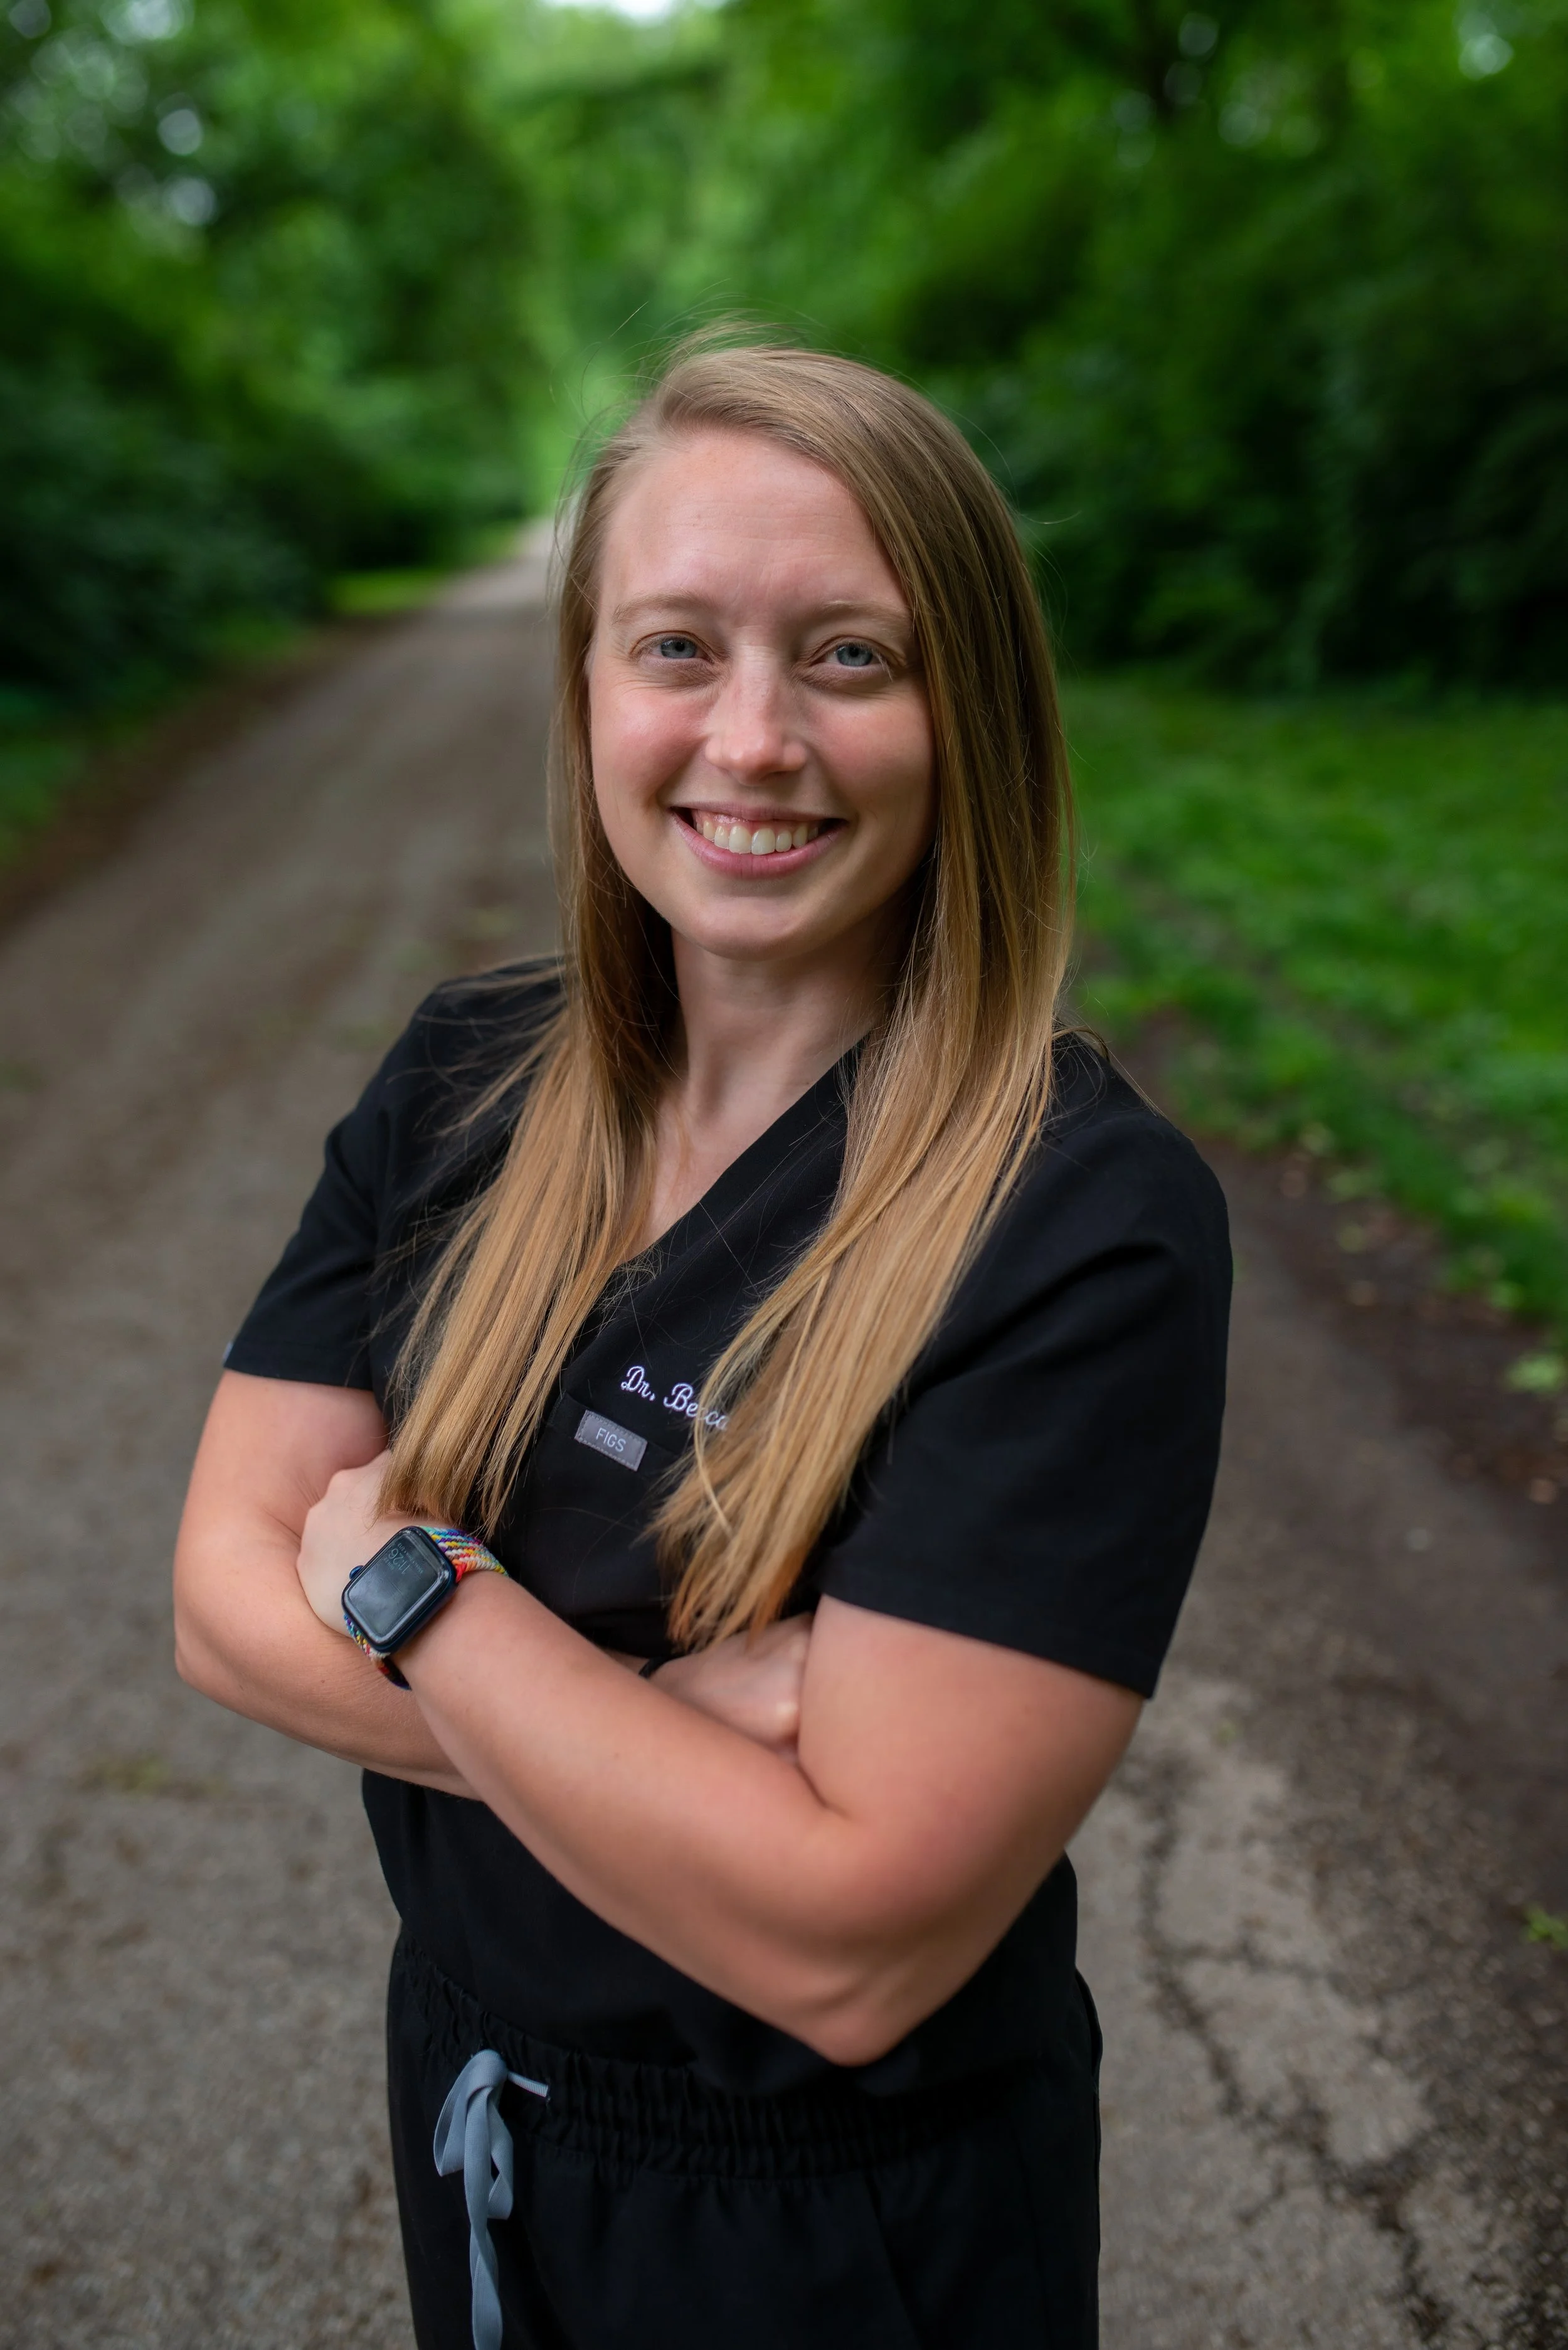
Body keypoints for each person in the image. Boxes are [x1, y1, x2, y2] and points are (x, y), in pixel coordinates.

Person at [173, 341, 1230, 2350]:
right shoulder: (463, 1082)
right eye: (677, 647)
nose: (751, 740)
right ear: (586, 687)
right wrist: (668, 1727)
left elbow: (851, 1946)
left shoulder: (1078, 1221)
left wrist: (413, 1593)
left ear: (970, 716)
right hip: (479, 2116)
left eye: (847, 656)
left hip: (846, 2233)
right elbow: (217, 1608)